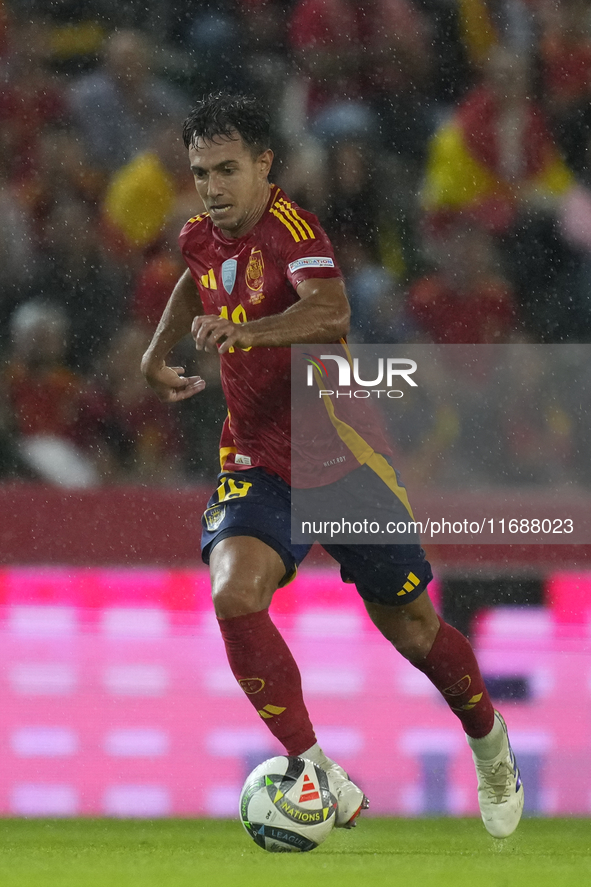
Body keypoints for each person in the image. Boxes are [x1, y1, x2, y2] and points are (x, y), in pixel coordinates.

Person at [141, 94, 524, 838]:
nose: (212, 188)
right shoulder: (200, 234)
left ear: (263, 165)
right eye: (199, 173)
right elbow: (197, 272)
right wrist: (157, 351)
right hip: (256, 459)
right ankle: (313, 767)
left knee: (414, 629)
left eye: (226, 170)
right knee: (233, 590)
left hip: (342, 457)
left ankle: (489, 741)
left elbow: (331, 312)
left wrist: (245, 329)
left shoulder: (293, 230)